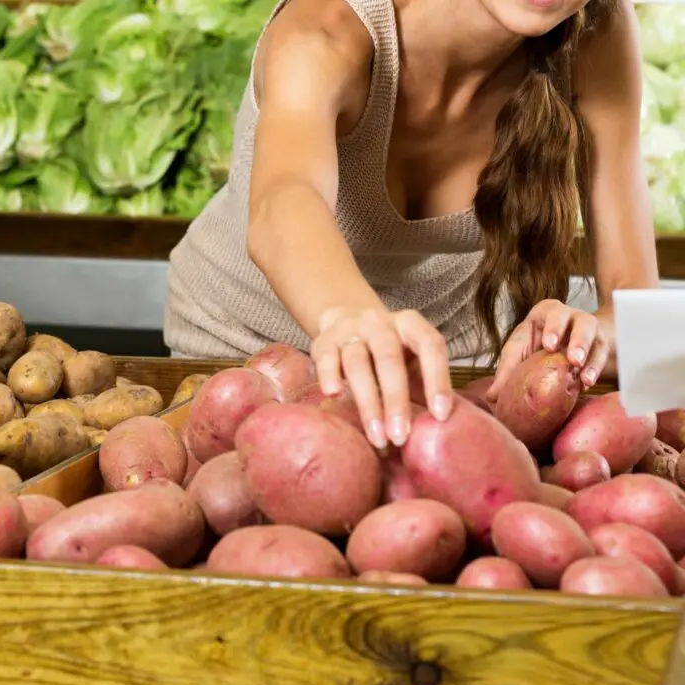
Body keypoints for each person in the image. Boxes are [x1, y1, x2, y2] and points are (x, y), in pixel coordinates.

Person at [165, 0, 659, 449]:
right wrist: (349, 318)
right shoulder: (327, 28)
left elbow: (645, 321)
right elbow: (284, 201)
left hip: (452, 373)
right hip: (243, 356)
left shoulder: (596, 28)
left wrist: (591, 337)